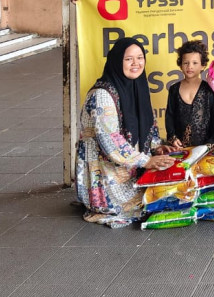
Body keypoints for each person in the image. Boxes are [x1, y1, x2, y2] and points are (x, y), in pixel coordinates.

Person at [75, 37, 177, 228]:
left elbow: (148, 123)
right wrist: (146, 161)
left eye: (140, 58)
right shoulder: (102, 95)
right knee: (157, 200)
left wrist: (156, 147)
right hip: (106, 171)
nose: (136, 63)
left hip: (131, 163)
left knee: (175, 187)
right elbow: (110, 141)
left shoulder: (137, 86)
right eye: (129, 59)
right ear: (117, 61)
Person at [164, 40, 214, 147]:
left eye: (195, 63)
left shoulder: (208, 89)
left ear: (203, 65)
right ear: (180, 65)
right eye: (186, 63)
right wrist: (172, 137)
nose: (190, 66)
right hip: (179, 148)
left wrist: (211, 143)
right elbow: (169, 116)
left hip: (204, 148)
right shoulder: (174, 89)